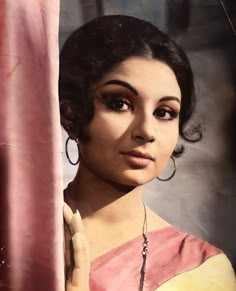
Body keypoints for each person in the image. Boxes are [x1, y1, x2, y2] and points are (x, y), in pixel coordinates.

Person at [59, 15, 236, 291]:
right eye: (120, 103)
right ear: (71, 114)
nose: (146, 131)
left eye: (164, 112)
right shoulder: (18, 233)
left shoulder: (202, 270)